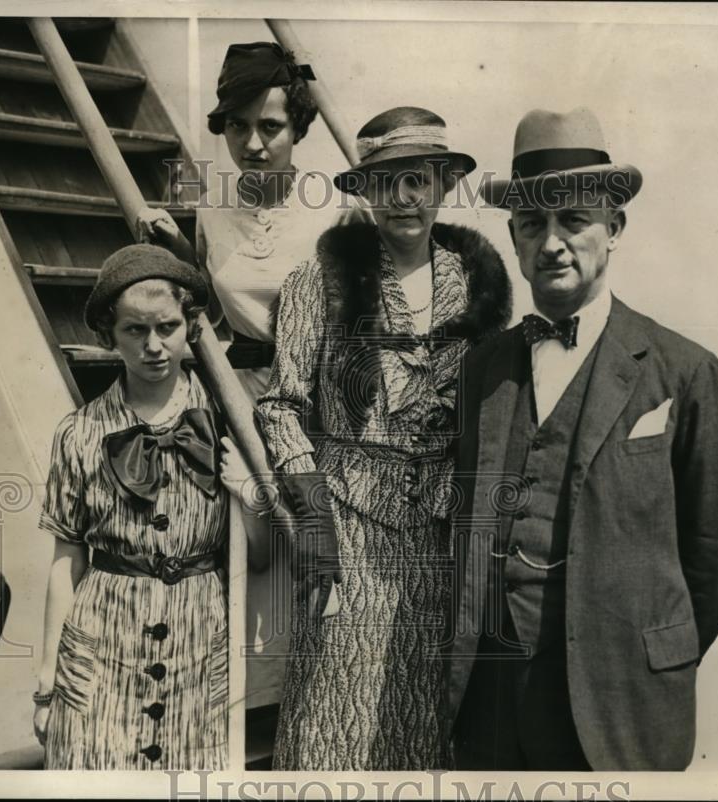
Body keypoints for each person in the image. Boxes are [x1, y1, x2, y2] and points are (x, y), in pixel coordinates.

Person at [446, 107, 718, 771]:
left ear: (613, 228)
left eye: (574, 220)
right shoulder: (483, 367)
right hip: (492, 698)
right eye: (532, 224)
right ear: (514, 239)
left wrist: (647, 656)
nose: (552, 242)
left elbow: (716, 550)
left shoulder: (687, 372)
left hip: (618, 702)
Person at [255, 106, 512, 770]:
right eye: (389, 180)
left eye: (420, 179)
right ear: (367, 190)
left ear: (443, 185)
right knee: (333, 719)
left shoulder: (476, 286)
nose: (405, 197)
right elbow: (281, 407)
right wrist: (312, 517)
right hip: (347, 530)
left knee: (425, 713)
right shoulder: (320, 281)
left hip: (438, 535)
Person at [137, 41, 362, 737]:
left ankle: (332, 703)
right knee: (251, 546)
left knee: (320, 543)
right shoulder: (213, 211)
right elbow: (210, 299)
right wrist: (174, 246)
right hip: (241, 393)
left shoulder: (338, 213)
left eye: (271, 127)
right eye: (238, 127)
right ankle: (255, 709)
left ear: (298, 128)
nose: (254, 144)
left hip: (318, 396)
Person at [32, 244, 263, 770]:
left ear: (191, 328)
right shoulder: (78, 433)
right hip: (103, 643)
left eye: (167, 327)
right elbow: (66, 560)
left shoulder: (228, 424)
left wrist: (250, 493)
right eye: (135, 330)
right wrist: (48, 676)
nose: (154, 345)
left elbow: (263, 558)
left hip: (199, 646)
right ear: (107, 336)